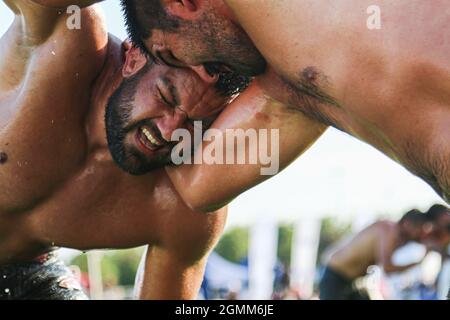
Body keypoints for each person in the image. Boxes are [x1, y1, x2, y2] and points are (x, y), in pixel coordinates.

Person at [0, 0, 249, 299]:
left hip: (28, 272)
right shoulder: (68, 34)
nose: (170, 131)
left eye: (196, 123)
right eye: (166, 97)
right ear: (132, 59)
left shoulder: (183, 204)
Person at [118, 0, 450, 205]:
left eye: (171, 54)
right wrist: (133, 109)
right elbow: (196, 187)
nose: (203, 73)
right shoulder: (286, 85)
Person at [319, 210, 428, 300]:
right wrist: (417, 263)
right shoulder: (389, 231)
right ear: (407, 223)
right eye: (419, 229)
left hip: (354, 281)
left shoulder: (398, 238)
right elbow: (387, 268)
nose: (420, 234)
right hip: (335, 276)